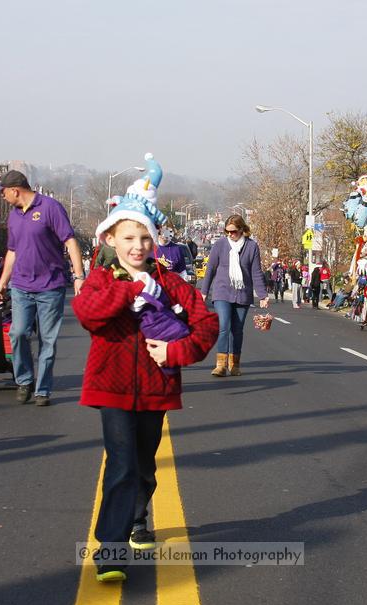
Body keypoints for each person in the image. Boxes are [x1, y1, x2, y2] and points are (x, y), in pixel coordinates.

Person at [71, 159, 218, 583]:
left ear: (153, 242)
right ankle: (111, 550)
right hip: (111, 388)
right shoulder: (101, 280)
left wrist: (176, 352)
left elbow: (207, 324)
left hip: (156, 388)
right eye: (128, 237)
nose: (137, 246)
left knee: (144, 464)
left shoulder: (171, 284)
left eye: (144, 238)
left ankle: (137, 518)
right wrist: (131, 290)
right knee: (120, 463)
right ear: (111, 238)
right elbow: (88, 314)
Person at [0, 169, 86, 406]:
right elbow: (12, 251)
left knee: (47, 340)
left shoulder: (51, 208)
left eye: (3, 192)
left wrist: (79, 276)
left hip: (50, 286)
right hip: (21, 286)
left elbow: (70, 241)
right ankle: (24, 380)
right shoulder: (13, 216)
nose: (2, 196)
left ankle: (42, 390)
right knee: (18, 333)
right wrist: (2, 284)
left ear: (15, 190)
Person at [199, 213, 269, 377]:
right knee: (224, 326)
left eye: (234, 231)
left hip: (242, 293)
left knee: (237, 330)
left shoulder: (251, 247)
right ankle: (220, 365)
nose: (230, 234)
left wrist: (263, 295)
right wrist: (203, 292)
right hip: (222, 292)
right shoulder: (220, 245)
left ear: (242, 230)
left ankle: (234, 364)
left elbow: (256, 272)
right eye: (227, 231)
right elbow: (210, 269)